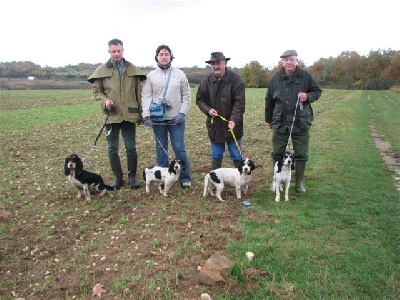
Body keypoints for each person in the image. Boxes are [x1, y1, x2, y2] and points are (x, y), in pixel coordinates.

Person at [88, 38, 146, 190]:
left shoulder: (132, 69)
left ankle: (132, 176)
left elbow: (138, 93)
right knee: (112, 148)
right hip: (111, 116)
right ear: (109, 52)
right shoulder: (101, 71)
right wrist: (105, 100)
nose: (116, 54)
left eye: (118, 51)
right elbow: (96, 92)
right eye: (113, 51)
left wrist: (141, 114)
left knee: (131, 147)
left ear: (123, 50)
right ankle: (118, 177)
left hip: (129, 115)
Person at [265, 50, 322, 193]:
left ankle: (299, 183)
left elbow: (317, 91)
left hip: (301, 122)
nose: (288, 62)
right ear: (282, 62)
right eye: (285, 60)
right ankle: (275, 181)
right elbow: (269, 100)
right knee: (277, 153)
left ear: (296, 60)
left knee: (301, 153)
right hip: (280, 122)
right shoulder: (275, 78)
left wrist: (307, 96)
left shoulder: (306, 76)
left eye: (291, 59)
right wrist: (269, 119)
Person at [141, 45, 192, 187]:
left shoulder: (180, 74)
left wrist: (182, 112)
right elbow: (146, 96)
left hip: (176, 119)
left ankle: (185, 177)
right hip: (158, 120)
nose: (164, 56)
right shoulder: (150, 76)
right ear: (156, 56)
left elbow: (186, 95)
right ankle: (164, 177)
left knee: (179, 147)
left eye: (166, 54)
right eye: (161, 54)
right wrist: (146, 115)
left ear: (171, 56)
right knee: (161, 147)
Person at [196, 52, 245, 170]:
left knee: (236, 155)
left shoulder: (236, 80)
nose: (216, 66)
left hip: (233, 126)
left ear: (225, 63)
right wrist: (208, 110)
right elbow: (200, 100)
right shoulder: (206, 81)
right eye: (213, 63)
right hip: (215, 127)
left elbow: (240, 103)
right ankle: (215, 181)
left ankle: (241, 181)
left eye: (218, 63)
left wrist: (233, 119)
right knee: (216, 155)